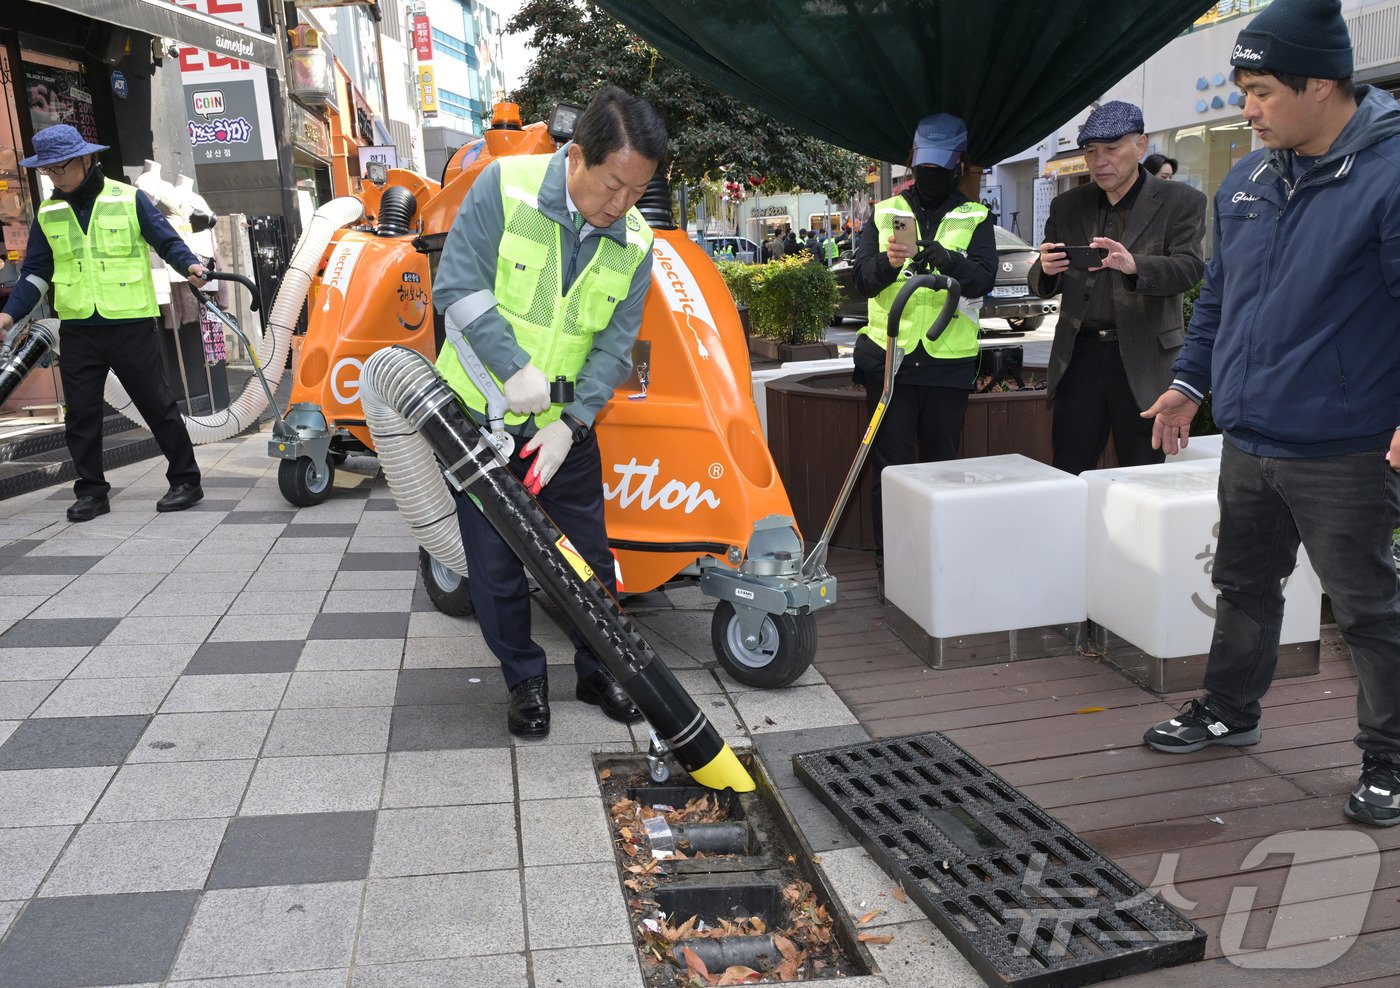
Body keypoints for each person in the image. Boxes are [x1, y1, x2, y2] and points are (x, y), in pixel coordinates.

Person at [1139, 0, 1400, 829]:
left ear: (1320, 84)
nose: (1244, 108)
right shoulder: (1248, 178)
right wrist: (1188, 383)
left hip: (1347, 446)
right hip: (1249, 435)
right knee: (1243, 582)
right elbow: (1219, 298)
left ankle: (1390, 759)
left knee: (1367, 608)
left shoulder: (1391, 175)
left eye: (1257, 91)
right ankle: (1230, 708)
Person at [432, 85, 666, 739]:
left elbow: (615, 351)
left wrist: (571, 424)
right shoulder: (503, 189)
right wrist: (513, 368)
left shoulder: (635, 243)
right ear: (576, 157)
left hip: (561, 429)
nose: (620, 205)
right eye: (613, 184)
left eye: (636, 192)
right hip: (481, 421)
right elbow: (456, 286)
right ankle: (525, 681)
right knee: (498, 567)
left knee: (588, 557)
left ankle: (598, 671)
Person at [0, 125, 206, 522]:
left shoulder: (128, 199)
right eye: (47, 171)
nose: (54, 177)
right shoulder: (49, 212)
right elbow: (37, 273)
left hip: (129, 321)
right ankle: (92, 493)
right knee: (80, 414)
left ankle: (186, 480)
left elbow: (166, 241)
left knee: (156, 404)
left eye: (60, 168)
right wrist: (10, 314)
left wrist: (191, 265)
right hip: (78, 327)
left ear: (85, 159)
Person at [850, 112, 997, 584]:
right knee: (890, 470)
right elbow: (862, 282)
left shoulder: (975, 216)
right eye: (923, 165)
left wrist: (949, 259)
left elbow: (982, 281)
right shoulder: (884, 211)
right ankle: (890, 565)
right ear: (914, 160)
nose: (929, 174)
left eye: (940, 166)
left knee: (940, 468)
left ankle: (937, 566)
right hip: (889, 360)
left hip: (946, 365)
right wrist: (890, 263)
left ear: (957, 164)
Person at [1028, 101, 1206, 475]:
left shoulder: (1181, 201)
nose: (1099, 161)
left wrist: (1135, 265)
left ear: (1140, 147)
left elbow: (1190, 269)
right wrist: (1045, 270)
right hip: (1079, 354)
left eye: (1111, 149)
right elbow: (1044, 281)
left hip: (1145, 357)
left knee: (1146, 473)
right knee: (1070, 469)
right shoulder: (1067, 206)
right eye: (1091, 152)